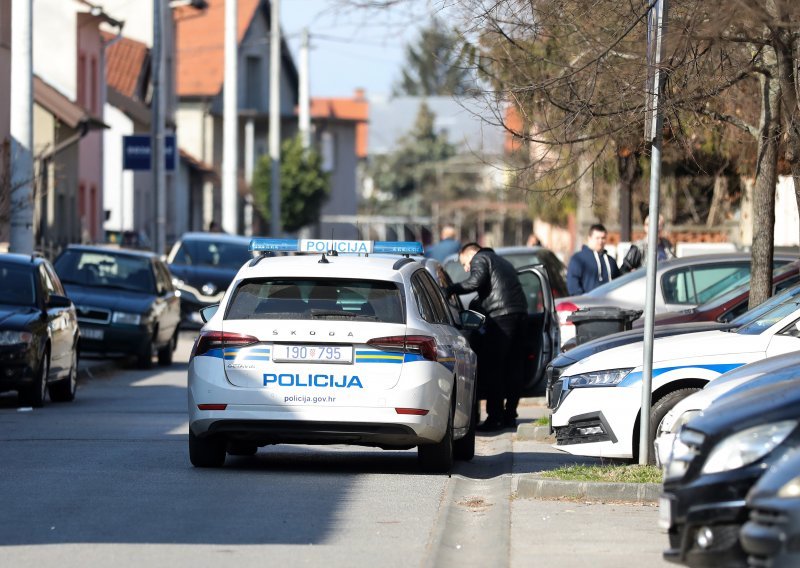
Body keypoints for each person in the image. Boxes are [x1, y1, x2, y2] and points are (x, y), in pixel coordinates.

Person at [447, 242, 528, 432]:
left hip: (501, 317)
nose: (467, 268)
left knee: (493, 367)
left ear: (471, 254)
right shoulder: (503, 261)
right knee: (514, 367)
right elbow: (494, 288)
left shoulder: (481, 258)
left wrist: (450, 289)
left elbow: (475, 282)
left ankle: (494, 417)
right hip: (520, 315)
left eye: (465, 263)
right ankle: (509, 416)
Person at [566, 223, 621, 295]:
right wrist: (583, 301)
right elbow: (573, 285)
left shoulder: (611, 261)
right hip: (587, 304)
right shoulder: (578, 259)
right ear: (589, 238)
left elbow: (619, 281)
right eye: (597, 238)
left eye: (603, 238)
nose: (600, 241)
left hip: (610, 304)